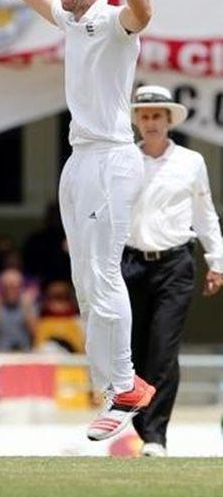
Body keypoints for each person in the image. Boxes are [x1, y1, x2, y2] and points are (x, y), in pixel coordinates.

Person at [0, 0, 155, 441]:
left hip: (112, 159)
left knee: (103, 273)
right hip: (79, 161)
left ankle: (126, 383)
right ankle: (114, 388)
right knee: (84, 282)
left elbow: (143, 13)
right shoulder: (72, 19)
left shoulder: (112, 21)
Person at [123, 85, 223, 457]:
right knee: (131, 351)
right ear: (137, 122)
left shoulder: (190, 162)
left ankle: (155, 435)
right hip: (130, 263)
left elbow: (205, 212)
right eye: (145, 116)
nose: (150, 123)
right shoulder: (123, 160)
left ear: (168, 121)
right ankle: (139, 425)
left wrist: (217, 261)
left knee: (163, 348)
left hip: (175, 263)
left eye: (156, 116)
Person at [0, 268, 38, 352]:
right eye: (7, 287)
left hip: (22, 353)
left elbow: (34, 332)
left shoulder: (29, 305)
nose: (10, 291)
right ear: (1, 288)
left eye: (14, 287)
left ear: (21, 287)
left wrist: (26, 307)